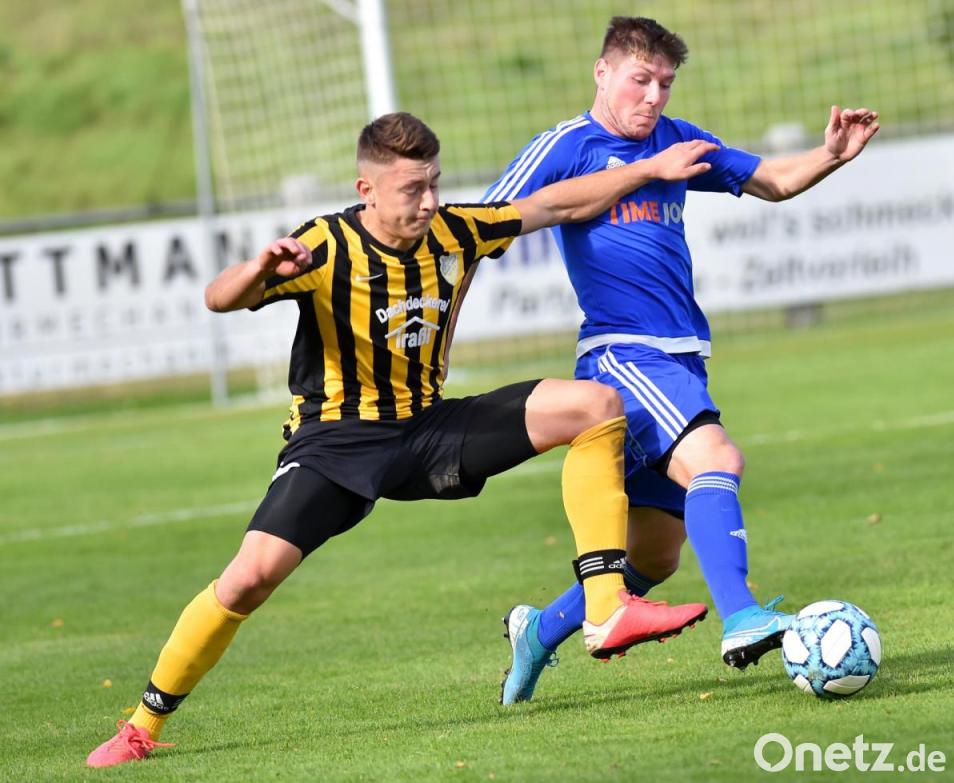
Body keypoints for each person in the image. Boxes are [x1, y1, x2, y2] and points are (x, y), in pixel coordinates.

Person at [85, 111, 724, 767]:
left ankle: (606, 605)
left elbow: (554, 204)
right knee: (248, 578)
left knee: (594, 404)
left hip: (428, 429)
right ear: (366, 190)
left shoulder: (454, 230)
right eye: (412, 189)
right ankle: (142, 725)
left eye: (434, 184)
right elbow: (219, 298)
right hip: (335, 444)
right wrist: (259, 267)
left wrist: (648, 168)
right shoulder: (325, 244)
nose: (428, 202)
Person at [485, 16, 880, 704]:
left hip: (683, 357)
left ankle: (537, 631)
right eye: (640, 80)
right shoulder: (568, 145)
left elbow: (772, 180)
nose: (653, 96)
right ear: (602, 72)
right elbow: (484, 221)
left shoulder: (679, 138)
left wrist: (831, 155)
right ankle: (743, 616)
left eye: (665, 83)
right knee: (716, 457)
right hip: (621, 352)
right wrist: (641, 172)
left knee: (653, 556)